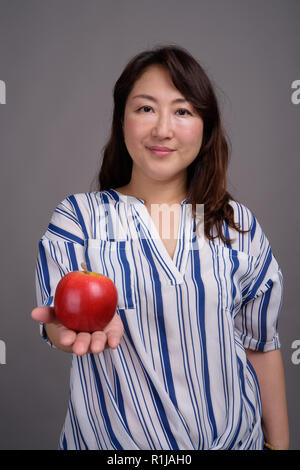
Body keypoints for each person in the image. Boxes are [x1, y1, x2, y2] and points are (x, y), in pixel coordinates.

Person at [31, 44, 289, 450]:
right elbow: (58, 315)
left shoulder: (238, 226)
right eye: (146, 108)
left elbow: (261, 346)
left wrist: (278, 446)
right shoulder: (79, 218)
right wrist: (63, 324)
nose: (163, 129)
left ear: (206, 126)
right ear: (122, 120)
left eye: (183, 111)